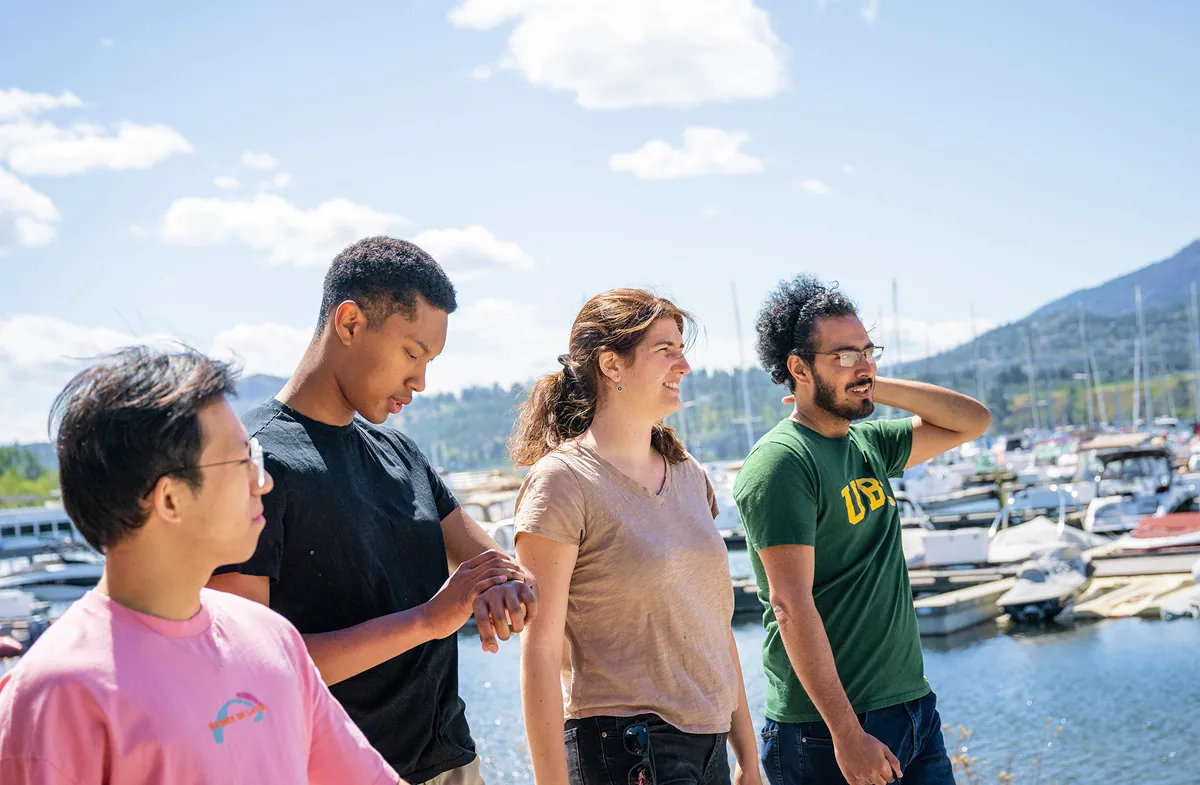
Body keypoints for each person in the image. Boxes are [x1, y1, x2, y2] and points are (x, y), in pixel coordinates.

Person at [207, 236, 537, 785]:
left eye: (429, 361)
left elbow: (495, 565)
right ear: (351, 322)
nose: (421, 382)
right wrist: (430, 621)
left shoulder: (402, 453)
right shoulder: (254, 466)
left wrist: (507, 586)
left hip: (453, 764)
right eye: (412, 352)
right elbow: (250, 670)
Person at [0, 347, 400, 785]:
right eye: (242, 460)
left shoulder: (273, 637)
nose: (262, 480)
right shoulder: (54, 695)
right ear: (170, 498)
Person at [733, 276, 991, 785]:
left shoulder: (868, 443)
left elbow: (972, 421)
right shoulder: (782, 463)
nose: (863, 364)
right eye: (844, 355)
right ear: (798, 368)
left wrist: (867, 381)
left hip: (911, 707)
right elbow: (790, 603)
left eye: (867, 351)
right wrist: (845, 734)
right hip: (826, 731)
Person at [510, 288, 762, 785]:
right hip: (626, 750)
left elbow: (715, 625)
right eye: (665, 349)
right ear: (611, 364)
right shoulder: (562, 481)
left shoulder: (688, 473)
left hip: (709, 745)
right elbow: (539, 651)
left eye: (682, 348)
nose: (684, 365)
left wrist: (747, 758)